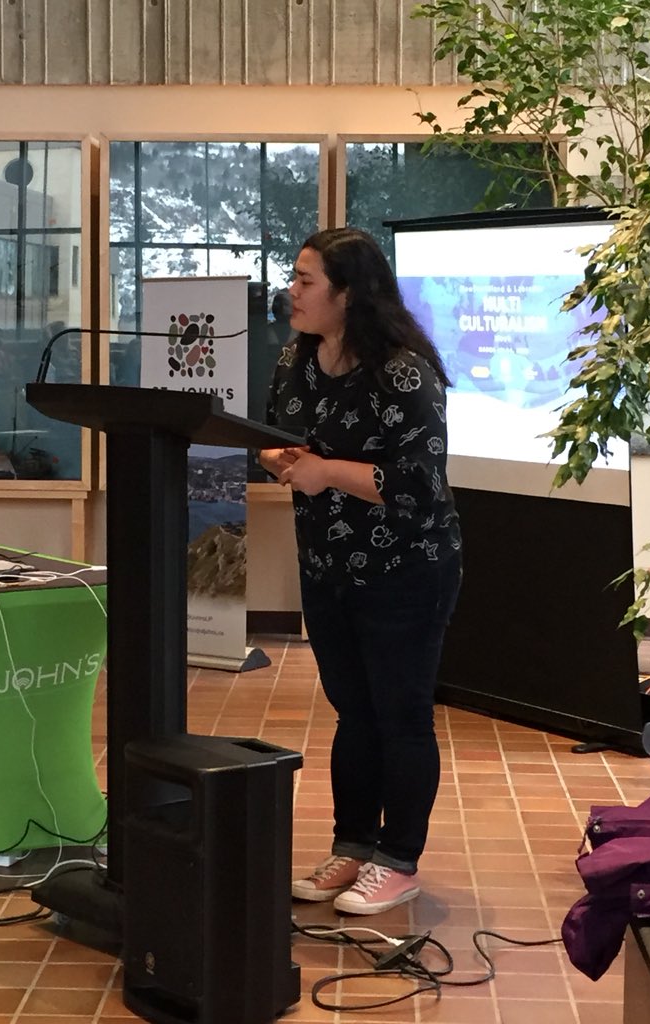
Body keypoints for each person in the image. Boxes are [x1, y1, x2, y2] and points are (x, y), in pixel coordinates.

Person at [259, 227, 462, 916]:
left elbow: (419, 483)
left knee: (400, 716)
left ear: (348, 294)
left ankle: (398, 860)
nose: (292, 289)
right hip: (328, 568)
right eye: (295, 276)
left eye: (306, 280)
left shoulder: (403, 371)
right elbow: (274, 437)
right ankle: (353, 846)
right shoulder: (297, 360)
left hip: (407, 569)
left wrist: (324, 472)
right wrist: (283, 461)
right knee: (353, 712)